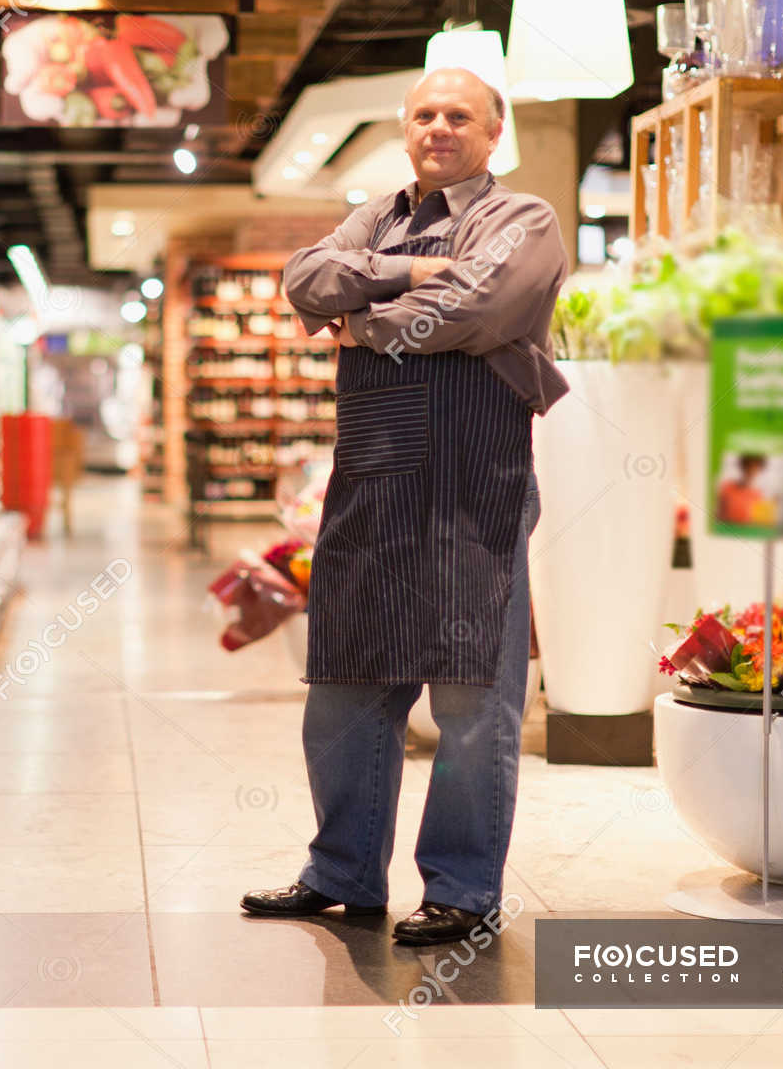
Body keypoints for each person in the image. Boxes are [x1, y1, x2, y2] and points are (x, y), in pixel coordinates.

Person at [241, 66, 570, 946]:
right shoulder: (378, 216)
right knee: (344, 690)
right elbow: (307, 279)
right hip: (373, 484)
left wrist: (369, 318)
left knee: (469, 703)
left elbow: (478, 306)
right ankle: (341, 873)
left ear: (493, 132)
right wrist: (411, 267)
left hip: (475, 487)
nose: (439, 126)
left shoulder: (522, 220)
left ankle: (461, 891)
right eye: (424, 113)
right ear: (404, 126)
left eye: (459, 115)